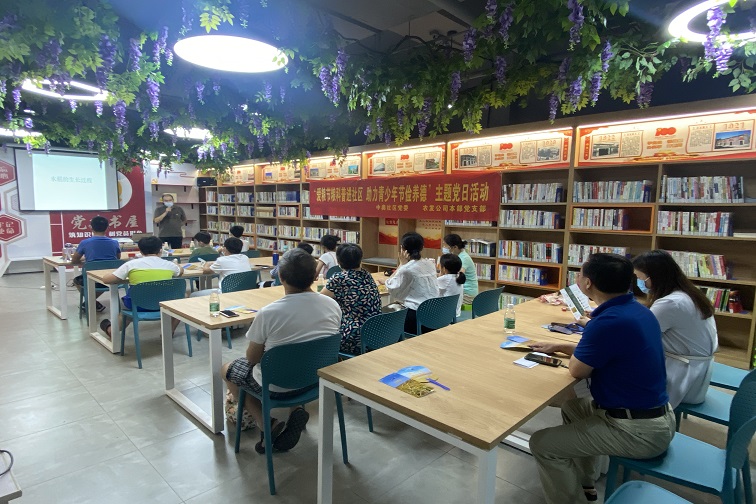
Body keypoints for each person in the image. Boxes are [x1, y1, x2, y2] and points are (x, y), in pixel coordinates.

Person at [527, 253, 675, 504]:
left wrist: (575, 350)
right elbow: (609, 353)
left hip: (638, 431)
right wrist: (560, 346)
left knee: (542, 444)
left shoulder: (607, 322)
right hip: (655, 417)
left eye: (579, 274)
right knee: (574, 407)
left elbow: (577, 371)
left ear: (587, 283)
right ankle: (586, 482)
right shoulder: (638, 311)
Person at [221, 248, 341, 453]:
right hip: (316, 379)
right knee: (298, 357)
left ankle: (266, 423)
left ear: (281, 277)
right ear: (314, 276)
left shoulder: (268, 313)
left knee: (227, 370)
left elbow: (252, 358)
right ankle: (296, 409)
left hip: (276, 386)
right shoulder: (332, 305)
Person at [633, 250, 718, 408]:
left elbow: (640, 336)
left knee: (620, 367)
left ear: (654, 277)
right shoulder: (686, 294)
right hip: (696, 371)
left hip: (682, 376)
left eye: (640, 278)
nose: (638, 282)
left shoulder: (670, 303)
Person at [99, 236, 184, 338]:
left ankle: (112, 330)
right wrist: (177, 264)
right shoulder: (169, 265)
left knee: (124, 305)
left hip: (137, 305)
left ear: (140, 251)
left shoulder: (131, 264)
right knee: (181, 299)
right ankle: (169, 331)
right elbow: (180, 272)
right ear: (160, 250)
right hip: (164, 304)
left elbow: (107, 280)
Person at [321, 243, 382, 354]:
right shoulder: (367, 274)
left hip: (354, 337)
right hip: (377, 333)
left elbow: (320, 300)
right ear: (360, 259)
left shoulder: (339, 278)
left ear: (338, 261)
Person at [380, 232, 439, 334]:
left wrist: (401, 264)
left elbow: (391, 287)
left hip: (415, 317)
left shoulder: (406, 269)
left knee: (382, 315)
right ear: (422, 247)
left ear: (402, 248)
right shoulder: (430, 263)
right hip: (433, 315)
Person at [71, 216, 121, 312]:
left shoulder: (85, 243)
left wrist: (85, 261)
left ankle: (90, 301)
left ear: (91, 227)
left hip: (92, 278)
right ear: (107, 228)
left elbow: (74, 260)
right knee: (100, 283)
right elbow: (117, 258)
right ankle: (92, 302)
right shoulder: (114, 243)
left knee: (77, 280)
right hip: (111, 278)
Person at [443, 234, 478, 304]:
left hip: (467, 295)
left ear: (455, 247)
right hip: (463, 291)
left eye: (446, 246)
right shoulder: (458, 256)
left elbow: (458, 275)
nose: (444, 248)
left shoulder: (464, 258)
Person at [437, 253, 465, 318]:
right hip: (456, 313)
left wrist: (440, 275)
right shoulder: (459, 277)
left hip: (444, 315)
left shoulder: (445, 279)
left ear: (444, 269)